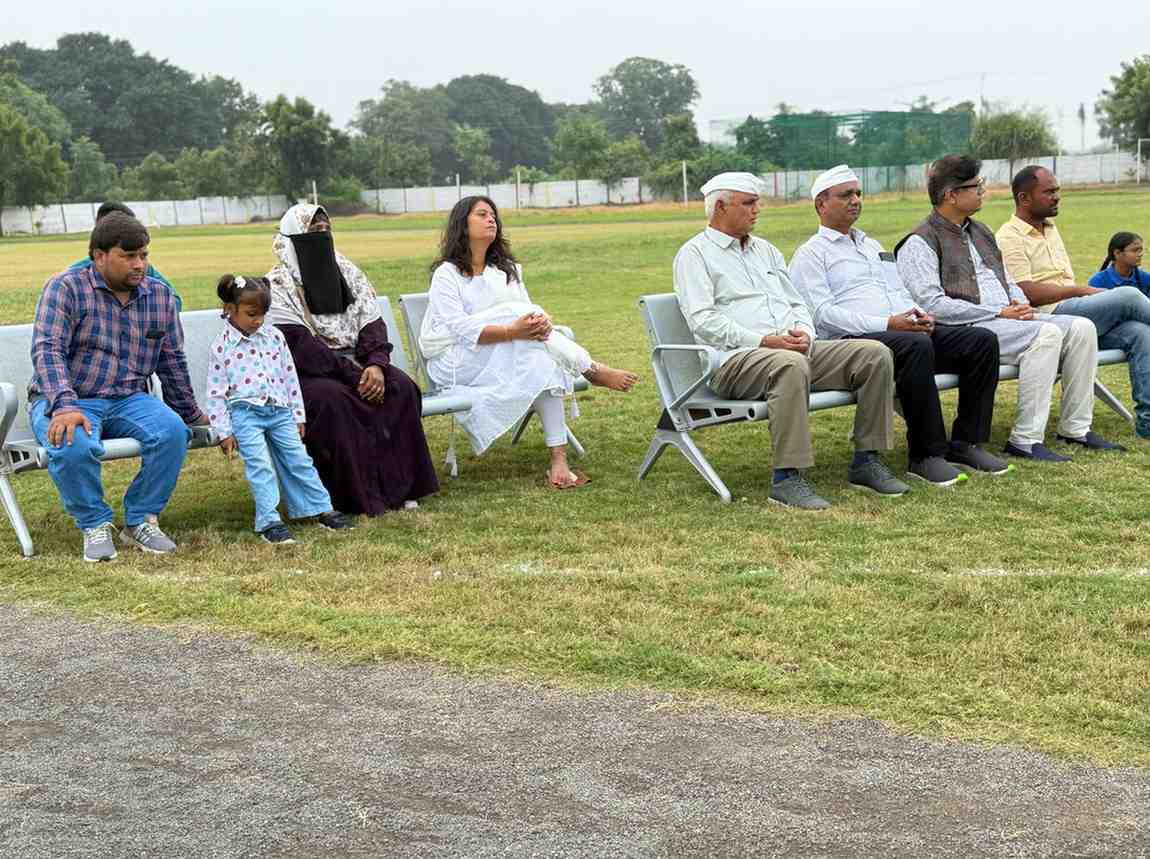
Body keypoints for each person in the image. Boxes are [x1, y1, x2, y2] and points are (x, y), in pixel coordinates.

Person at [673, 171, 902, 510]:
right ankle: (786, 479)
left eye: (757, 203)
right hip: (734, 362)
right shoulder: (695, 255)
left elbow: (796, 303)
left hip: (788, 351)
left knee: (874, 354)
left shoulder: (765, 250)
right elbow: (703, 321)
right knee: (789, 364)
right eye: (748, 203)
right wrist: (765, 340)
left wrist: (805, 333)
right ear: (720, 207)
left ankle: (867, 460)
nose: (757, 209)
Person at [895, 155, 1123, 463]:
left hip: (1008, 318)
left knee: (1082, 328)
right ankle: (1025, 441)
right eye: (976, 186)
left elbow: (1006, 279)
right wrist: (997, 313)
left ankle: (1075, 428)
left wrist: (1018, 302)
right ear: (951, 195)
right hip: (968, 330)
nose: (983, 191)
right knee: (1046, 334)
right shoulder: (920, 241)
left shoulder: (981, 231)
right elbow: (931, 305)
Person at [790, 165, 1007, 485]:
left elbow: (898, 290)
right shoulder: (810, 254)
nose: (855, 200)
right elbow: (823, 316)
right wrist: (888, 323)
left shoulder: (871, 245)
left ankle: (966, 444)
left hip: (901, 329)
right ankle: (926, 456)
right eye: (846, 195)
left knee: (981, 341)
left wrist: (918, 314)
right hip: (856, 341)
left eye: (858, 193)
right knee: (916, 346)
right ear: (821, 204)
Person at [421, 195, 638, 489]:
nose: (491, 219)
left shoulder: (506, 270)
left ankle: (559, 462)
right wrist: (513, 330)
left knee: (541, 359)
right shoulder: (446, 275)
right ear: (462, 224)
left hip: (502, 355)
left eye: (493, 215)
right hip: (454, 362)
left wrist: (537, 324)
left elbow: (526, 316)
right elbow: (461, 330)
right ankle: (589, 368)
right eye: (482, 214)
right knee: (515, 317)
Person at [28, 212, 207, 561]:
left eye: (144, 255)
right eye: (128, 256)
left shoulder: (159, 296)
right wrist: (64, 405)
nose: (139, 264)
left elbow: (171, 361)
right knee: (71, 441)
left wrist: (191, 414)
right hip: (71, 398)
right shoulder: (66, 288)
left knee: (172, 432)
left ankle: (140, 519)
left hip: (128, 399)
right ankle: (94, 523)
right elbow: (47, 350)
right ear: (99, 256)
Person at [265, 203, 439, 515]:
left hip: (360, 363)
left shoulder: (348, 272)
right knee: (333, 400)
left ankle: (401, 489)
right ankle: (356, 496)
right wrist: (356, 376)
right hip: (306, 373)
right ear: (293, 237)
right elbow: (300, 347)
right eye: (313, 231)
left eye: (325, 230)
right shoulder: (278, 285)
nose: (322, 236)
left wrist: (376, 365)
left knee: (400, 387)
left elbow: (372, 324)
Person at [996, 166, 1150, 440]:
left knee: (1141, 333)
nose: (1057, 196)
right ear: (1024, 198)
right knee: (1128, 296)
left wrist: (1080, 294)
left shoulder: (1050, 228)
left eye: (1057, 190)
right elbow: (1024, 291)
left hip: (1079, 318)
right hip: (1049, 317)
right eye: (1049, 192)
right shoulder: (1009, 237)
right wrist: (1079, 290)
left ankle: (1147, 424)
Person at [204, 274, 355, 544]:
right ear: (230, 309)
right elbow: (216, 393)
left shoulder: (275, 337)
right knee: (260, 466)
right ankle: (269, 521)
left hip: (280, 412)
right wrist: (224, 431)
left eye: (262, 314)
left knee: (299, 459)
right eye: (251, 314)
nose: (258, 321)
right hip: (245, 415)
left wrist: (297, 414)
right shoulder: (221, 346)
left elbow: (289, 378)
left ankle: (321, 508)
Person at [68, 202, 182, 312]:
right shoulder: (70, 283)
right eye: (129, 255)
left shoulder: (146, 271)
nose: (138, 265)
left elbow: (174, 302)